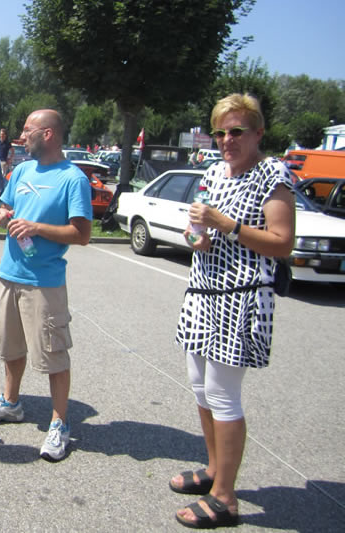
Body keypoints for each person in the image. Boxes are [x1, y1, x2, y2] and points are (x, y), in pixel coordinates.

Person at [170, 94, 295, 528]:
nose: (227, 140)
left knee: (223, 394)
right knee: (200, 388)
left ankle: (225, 497)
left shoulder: (272, 173)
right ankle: (214, 470)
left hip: (241, 297)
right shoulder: (213, 173)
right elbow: (195, 233)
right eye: (220, 132)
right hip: (203, 292)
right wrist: (195, 237)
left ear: (258, 133)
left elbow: (282, 242)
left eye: (237, 131)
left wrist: (227, 225)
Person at [0, 109, 92, 463]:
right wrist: (0, 214)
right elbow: (6, 206)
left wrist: (36, 228)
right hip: (9, 275)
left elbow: (82, 234)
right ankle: (10, 403)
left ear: (48, 134)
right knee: (10, 347)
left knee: (53, 354)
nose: (21, 136)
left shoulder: (73, 179)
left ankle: (60, 423)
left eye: (28, 130)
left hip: (44, 283)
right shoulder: (23, 170)